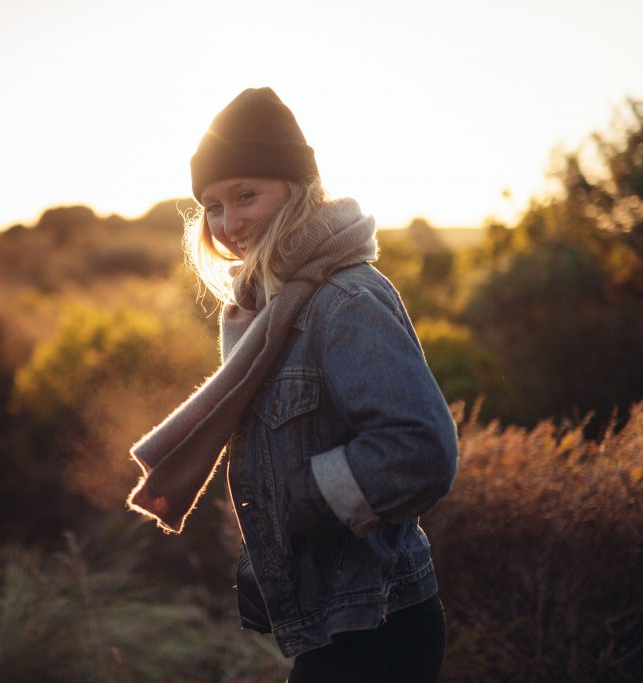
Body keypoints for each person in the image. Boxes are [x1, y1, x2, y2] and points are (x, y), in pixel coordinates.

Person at [127, 87, 459, 683]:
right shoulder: (266, 310)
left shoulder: (345, 299)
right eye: (213, 205)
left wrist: (296, 505)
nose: (229, 223)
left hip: (382, 626)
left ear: (299, 188)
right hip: (338, 621)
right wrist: (272, 562)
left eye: (246, 195)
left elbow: (420, 449)